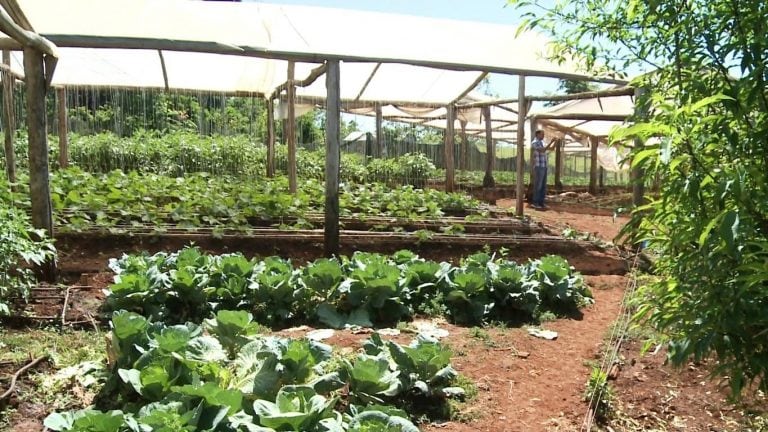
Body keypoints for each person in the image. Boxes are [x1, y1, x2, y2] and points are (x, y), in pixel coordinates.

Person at [531, 130, 554, 209]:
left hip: (544, 166)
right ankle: (535, 202)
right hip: (538, 166)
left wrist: (554, 142)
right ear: (537, 134)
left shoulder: (542, 143)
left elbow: (550, 149)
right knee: (538, 185)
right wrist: (551, 142)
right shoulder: (534, 142)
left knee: (543, 186)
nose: (543, 136)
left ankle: (541, 202)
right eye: (542, 134)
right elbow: (542, 150)